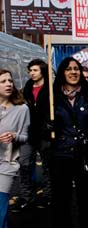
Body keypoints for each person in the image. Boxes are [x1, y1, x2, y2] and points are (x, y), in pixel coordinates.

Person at [48, 57, 88, 227]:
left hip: (85, 155)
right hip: (60, 154)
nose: (73, 72)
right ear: (62, 72)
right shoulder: (51, 96)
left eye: (76, 69)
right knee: (61, 199)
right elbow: (37, 127)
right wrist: (47, 130)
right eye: (68, 69)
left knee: (86, 198)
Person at [13, 59, 52, 212]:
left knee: (48, 166)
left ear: (42, 70)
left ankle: (48, 196)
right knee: (24, 164)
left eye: (35, 70)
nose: (31, 73)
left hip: (45, 133)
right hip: (28, 131)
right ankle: (26, 197)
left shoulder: (51, 88)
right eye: (30, 70)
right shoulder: (27, 88)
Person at [0, 69, 30, 227]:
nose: (8, 84)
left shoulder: (22, 109)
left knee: (1, 207)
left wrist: (14, 136)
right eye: (3, 81)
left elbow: (25, 137)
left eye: (10, 81)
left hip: (7, 163)